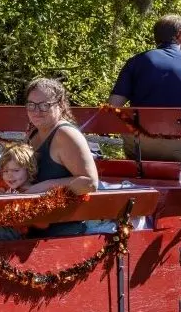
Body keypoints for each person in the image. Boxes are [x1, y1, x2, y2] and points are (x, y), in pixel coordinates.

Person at [109, 13, 181, 162]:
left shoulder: (135, 62)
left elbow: (113, 106)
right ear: (180, 35)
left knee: (132, 138)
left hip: (140, 146)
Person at [21, 78, 112, 236]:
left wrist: (44, 186)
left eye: (44, 105)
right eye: (31, 105)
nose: (36, 111)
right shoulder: (33, 133)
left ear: (60, 105)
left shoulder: (65, 134)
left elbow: (89, 183)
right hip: (34, 223)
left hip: (62, 229)